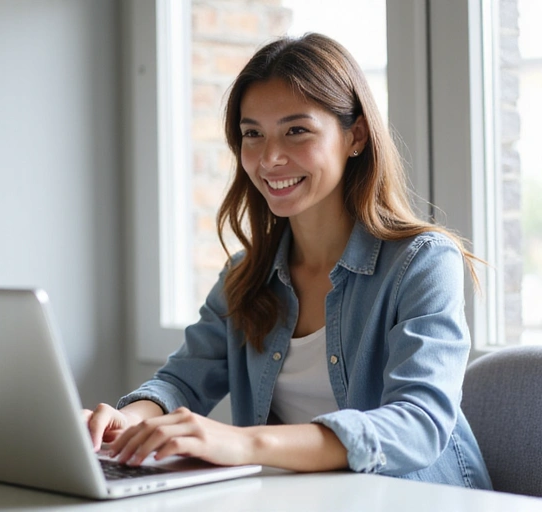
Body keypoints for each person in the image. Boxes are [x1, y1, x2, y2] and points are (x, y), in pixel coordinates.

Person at [84, 33, 492, 489]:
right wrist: (123, 421)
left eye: (296, 131)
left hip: (422, 498)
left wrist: (245, 443)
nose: (269, 158)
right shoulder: (245, 276)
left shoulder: (423, 263)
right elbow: (181, 382)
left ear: (354, 135)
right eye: (252, 134)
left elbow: (419, 423)